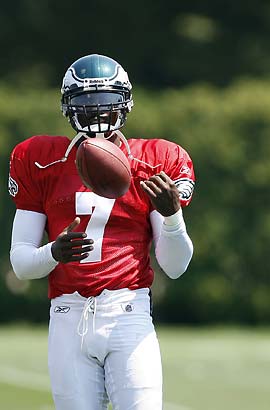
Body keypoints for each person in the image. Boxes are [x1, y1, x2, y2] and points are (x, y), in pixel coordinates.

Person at [8, 54, 196, 409]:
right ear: (69, 106)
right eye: (87, 103)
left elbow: (176, 265)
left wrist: (172, 218)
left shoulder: (152, 160)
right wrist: (53, 252)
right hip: (67, 317)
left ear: (124, 103)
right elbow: (20, 261)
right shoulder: (40, 159)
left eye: (105, 103)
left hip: (129, 313)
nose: (96, 112)